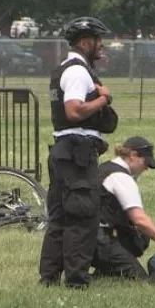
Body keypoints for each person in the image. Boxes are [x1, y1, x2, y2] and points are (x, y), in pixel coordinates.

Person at [39, 16, 119, 288]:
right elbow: (73, 111)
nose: (102, 45)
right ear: (85, 42)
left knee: (60, 218)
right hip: (77, 153)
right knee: (82, 217)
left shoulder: (64, 69)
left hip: (64, 151)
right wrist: (103, 99)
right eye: (98, 40)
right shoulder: (77, 72)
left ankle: (48, 278)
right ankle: (76, 281)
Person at [92, 137, 155, 280]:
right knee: (140, 280)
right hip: (100, 241)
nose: (147, 168)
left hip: (86, 238)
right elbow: (139, 220)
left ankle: (105, 272)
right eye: (145, 162)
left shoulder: (106, 169)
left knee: (143, 235)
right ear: (133, 156)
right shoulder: (121, 177)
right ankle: (107, 269)